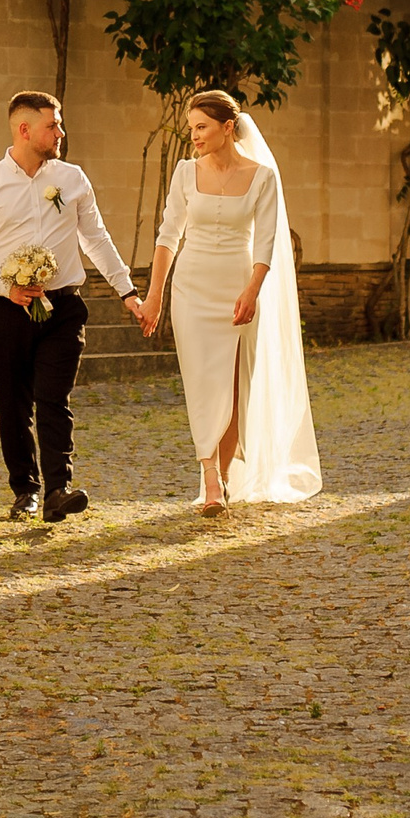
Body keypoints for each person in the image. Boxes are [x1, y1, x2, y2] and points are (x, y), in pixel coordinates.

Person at [0, 92, 148, 521]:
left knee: (54, 398)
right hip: (8, 311)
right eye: (52, 125)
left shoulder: (72, 178)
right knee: (14, 403)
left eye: (59, 124)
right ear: (24, 130)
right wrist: (4, 288)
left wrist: (128, 292)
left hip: (64, 309)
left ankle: (58, 489)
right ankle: (26, 490)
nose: (60, 132)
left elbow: (96, 239)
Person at [138, 88, 324, 512]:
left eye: (201, 127)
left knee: (237, 386)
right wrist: (155, 297)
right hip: (191, 288)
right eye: (191, 128)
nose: (194, 136)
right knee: (202, 382)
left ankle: (222, 474)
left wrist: (252, 290)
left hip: (239, 288)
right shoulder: (185, 173)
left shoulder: (262, 177)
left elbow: (266, 241)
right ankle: (209, 478)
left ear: (227, 127)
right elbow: (168, 236)